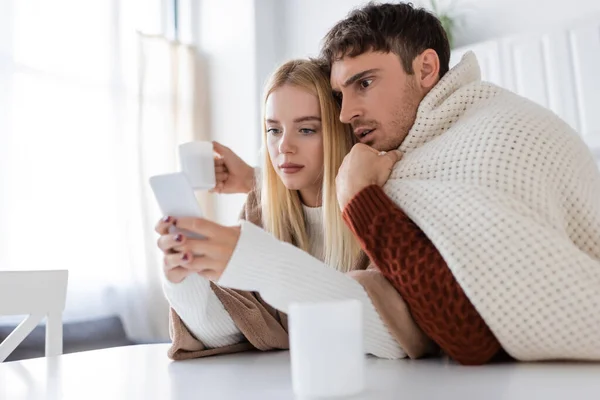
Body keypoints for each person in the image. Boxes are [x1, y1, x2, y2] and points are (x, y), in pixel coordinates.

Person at [156, 59, 434, 361]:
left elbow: (396, 336)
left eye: (306, 129)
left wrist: (258, 261)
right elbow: (240, 329)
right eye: (273, 130)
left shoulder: (380, 204)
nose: (284, 147)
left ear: (338, 132)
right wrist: (185, 277)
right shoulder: (261, 208)